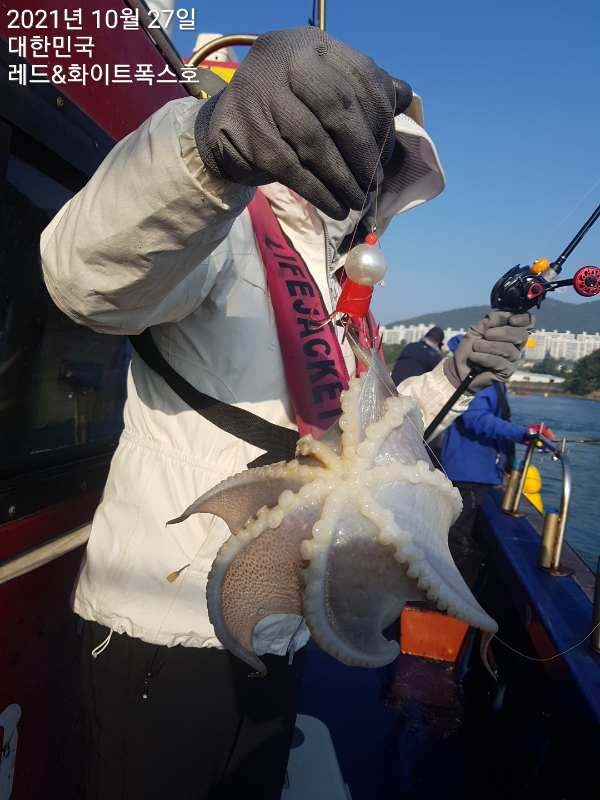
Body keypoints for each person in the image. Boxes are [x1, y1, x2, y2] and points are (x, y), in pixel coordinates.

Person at [40, 28, 534, 800]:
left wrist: (456, 375)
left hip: (280, 628)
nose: (368, 172)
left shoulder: (347, 301)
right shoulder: (222, 227)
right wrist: (208, 151)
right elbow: (87, 276)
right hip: (164, 627)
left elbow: (380, 443)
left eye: (386, 161)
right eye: (361, 144)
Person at [441, 335, 553, 585]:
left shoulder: (481, 372)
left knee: (454, 533)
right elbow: (476, 419)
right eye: (516, 350)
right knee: (456, 536)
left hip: (469, 469)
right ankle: (444, 595)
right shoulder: (481, 376)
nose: (517, 356)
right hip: (468, 472)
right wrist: (523, 433)